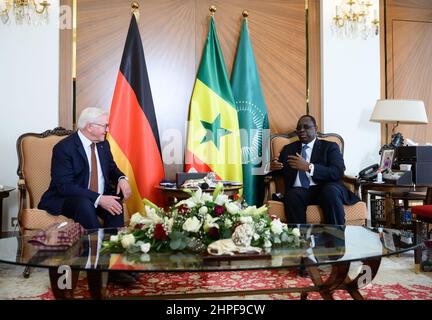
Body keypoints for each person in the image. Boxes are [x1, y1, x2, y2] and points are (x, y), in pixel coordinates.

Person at [39, 107, 135, 285]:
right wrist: (98, 198)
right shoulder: (64, 148)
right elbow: (64, 185)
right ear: (89, 126)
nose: (107, 130)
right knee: (84, 204)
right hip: (68, 198)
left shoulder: (103, 144)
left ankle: (113, 265)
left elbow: (112, 168)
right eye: (104, 126)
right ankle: (95, 263)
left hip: (96, 197)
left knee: (116, 205)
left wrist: (122, 178)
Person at [269, 115, 360, 225]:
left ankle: (337, 237)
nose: (302, 130)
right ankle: (298, 238)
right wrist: (272, 167)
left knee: (330, 191)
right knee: (293, 194)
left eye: (306, 127)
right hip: (301, 191)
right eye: (299, 128)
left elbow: (337, 172)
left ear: (316, 129)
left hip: (326, 188)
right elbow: (279, 170)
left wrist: (309, 167)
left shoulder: (330, 147)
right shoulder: (289, 149)